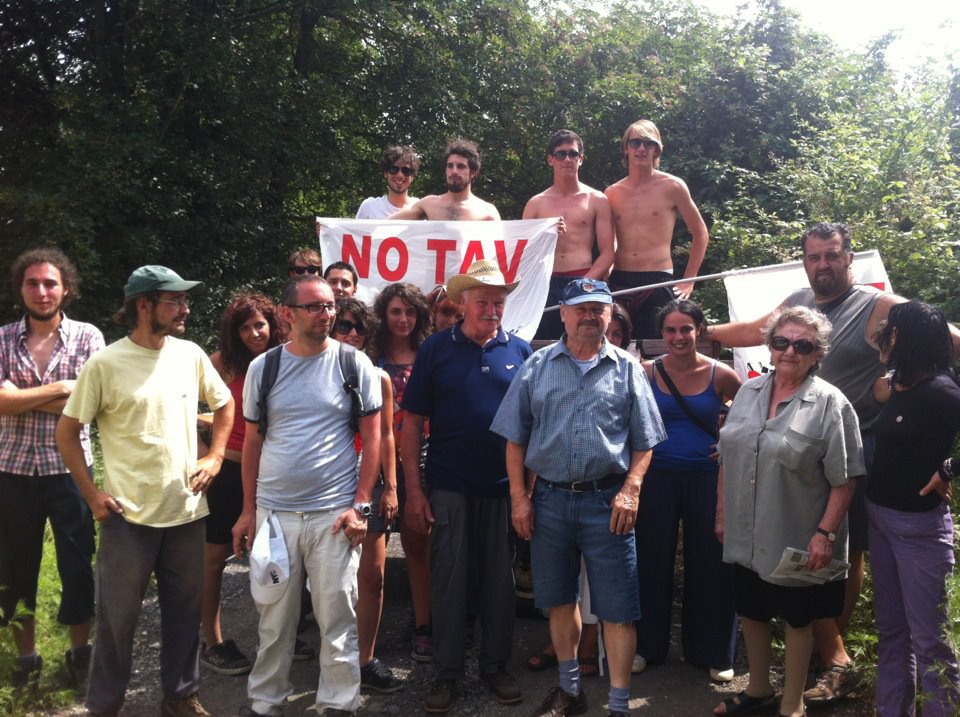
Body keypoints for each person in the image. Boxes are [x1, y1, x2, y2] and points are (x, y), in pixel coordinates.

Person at [705, 221, 960, 703]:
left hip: (855, 449)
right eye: (814, 256)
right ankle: (827, 660)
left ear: (849, 258)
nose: (823, 264)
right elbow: (759, 329)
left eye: (832, 255)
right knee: (803, 554)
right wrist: (705, 329)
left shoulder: (878, 304)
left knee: (838, 555)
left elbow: (938, 335)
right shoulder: (801, 297)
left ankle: (831, 660)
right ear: (805, 260)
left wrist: (939, 452)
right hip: (794, 447)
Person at [56, 265, 234, 717]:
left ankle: (179, 698)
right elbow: (68, 431)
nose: (185, 309)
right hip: (126, 519)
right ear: (143, 305)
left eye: (184, 300)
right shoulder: (106, 363)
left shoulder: (189, 354)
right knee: (117, 624)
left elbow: (225, 403)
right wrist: (92, 495)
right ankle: (105, 707)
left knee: (183, 615)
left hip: (186, 512)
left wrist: (214, 457)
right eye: (175, 301)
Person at [491, 277, 666, 717]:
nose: (590, 316)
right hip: (548, 500)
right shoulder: (537, 365)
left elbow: (646, 441)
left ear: (609, 314)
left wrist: (631, 490)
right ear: (564, 314)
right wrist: (519, 498)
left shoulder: (628, 369)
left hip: (607, 503)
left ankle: (620, 705)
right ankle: (570, 691)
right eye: (580, 308)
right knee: (558, 599)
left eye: (598, 309)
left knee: (618, 608)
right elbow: (514, 438)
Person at [232, 274, 382, 717]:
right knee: (274, 619)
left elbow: (374, 440)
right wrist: (247, 511)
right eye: (315, 307)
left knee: (337, 617)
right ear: (288, 314)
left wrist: (361, 506)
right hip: (274, 515)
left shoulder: (354, 364)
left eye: (331, 306)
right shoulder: (265, 368)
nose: (327, 314)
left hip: (333, 516)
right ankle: (265, 703)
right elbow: (253, 443)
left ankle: (338, 704)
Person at [714, 306, 862, 717]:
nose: (790, 351)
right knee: (753, 608)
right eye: (782, 342)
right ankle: (758, 689)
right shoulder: (748, 391)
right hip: (746, 528)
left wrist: (825, 534)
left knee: (799, 617)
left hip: (798, 532)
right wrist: (722, 515)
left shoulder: (831, 404)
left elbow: (845, 478)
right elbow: (729, 455)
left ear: (818, 353)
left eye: (803, 345)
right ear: (770, 345)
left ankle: (792, 705)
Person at [399, 260, 530, 713]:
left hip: (503, 488)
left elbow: (534, 425)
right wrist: (415, 492)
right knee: (450, 579)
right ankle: (446, 672)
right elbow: (411, 422)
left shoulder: (523, 351)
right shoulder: (436, 349)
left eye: (499, 301)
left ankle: (495, 666)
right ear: (463, 304)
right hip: (449, 485)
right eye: (484, 302)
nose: (492, 310)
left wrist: (526, 492)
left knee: (499, 581)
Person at [0, 248, 103, 691]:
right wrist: (62, 389)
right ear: (20, 288)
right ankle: (27, 659)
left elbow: (93, 404)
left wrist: (22, 396)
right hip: (12, 470)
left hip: (70, 471)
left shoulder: (89, 338)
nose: (41, 291)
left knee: (77, 564)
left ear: (66, 288)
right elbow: (0, 403)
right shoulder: (2, 339)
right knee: (15, 568)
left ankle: (82, 654)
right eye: (32, 283)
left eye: (50, 283)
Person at [635, 300, 741, 680]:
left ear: (699, 331)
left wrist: (726, 440)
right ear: (661, 334)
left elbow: (747, 416)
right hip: (657, 477)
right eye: (670, 330)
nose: (678, 337)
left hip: (706, 477)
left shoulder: (720, 374)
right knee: (651, 560)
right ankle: (647, 646)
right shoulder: (646, 372)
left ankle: (713, 652)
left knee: (711, 562)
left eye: (686, 329)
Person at [867, 301, 960, 717]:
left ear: (907, 337)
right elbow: (880, 390)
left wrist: (949, 469)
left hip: (918, 529)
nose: (885, 333)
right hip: (880, 519)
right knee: (892, 632)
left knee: (931, 642)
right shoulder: (899, 382)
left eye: (892, 329)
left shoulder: (943, 392)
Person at [199, 293, 286, 676]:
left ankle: (281, 634)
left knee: (273, 557)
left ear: (273, 324)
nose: (254, 333)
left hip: (272, 472)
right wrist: (206, 455)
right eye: (245, 327)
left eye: (260, 325)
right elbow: (187, 409)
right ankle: (213, 641)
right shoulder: (222, 365)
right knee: (215, 559)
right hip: (229, 472)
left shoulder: (284, 362)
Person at [330, 297, 403, 693]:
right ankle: (333, 656)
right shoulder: (311, 372)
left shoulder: (378, 377)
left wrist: (390, 487)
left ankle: (365, 659)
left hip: (369, 482)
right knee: (328, 577)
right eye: (344, 325)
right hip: (326, 484)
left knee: (371, 575)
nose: (353, 333)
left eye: (360, 327)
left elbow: (388, 434)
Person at [366, 284, 435, 665]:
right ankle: (364, 642)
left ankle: (423, 625)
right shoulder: (367, 357)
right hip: (371, 461)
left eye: (410, 311)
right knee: (369, 559)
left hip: (418, 459)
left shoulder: (428, 355)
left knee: (418, 547)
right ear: (384, 314)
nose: (403, 319)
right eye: (395, 311)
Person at [605, 119, 710, 342]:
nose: (641, 149)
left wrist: (688, 280)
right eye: (635, 143)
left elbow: (700, 233)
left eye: (648, 143)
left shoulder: (673, 186)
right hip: (620, 280)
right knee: (614, 346)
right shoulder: (612, 192)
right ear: (626, 148)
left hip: (657, 280)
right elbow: (609, 239)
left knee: (656, 348)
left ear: (656, 149)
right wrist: (607, 271)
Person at [523, 129, 615, 340]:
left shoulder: (596, 199)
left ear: (580, 159)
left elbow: (608, 252)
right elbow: (524, 252)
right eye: (561, 154)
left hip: (583, 276)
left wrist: (584, 283)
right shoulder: (536, 203)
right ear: (550, 160)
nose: (567, 159)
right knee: (544, 342)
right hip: (545, 281)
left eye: (573, 154)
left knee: (584, 342)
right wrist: (544, 234)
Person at [390, 138, 500, 221]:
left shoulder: (487, 212)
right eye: (450, 166)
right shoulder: (428, 204)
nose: (454, 171)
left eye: (461, 166)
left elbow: (502, 248)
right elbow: (384, 226)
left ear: (473, 172)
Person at [357, 145, 421, 218]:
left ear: (412, 176)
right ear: (385, 173)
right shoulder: (369, 207)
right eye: (394, 169)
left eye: (406, 171)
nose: (400, 175)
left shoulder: (421, 209)